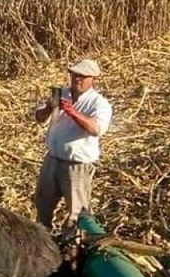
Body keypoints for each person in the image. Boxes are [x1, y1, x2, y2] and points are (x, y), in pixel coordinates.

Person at [33, 58, 112, 233]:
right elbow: (39, 118)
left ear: (93, 79)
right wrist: (49, 107)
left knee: (76, 214)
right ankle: (43, 242)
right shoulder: (60, 94)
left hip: (77, 166)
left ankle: (72, 249)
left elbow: (96, 129)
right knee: (42, 203)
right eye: (75, 75)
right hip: (52, 160)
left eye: (83, 76)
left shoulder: (99, 103)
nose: (78, 79)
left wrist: (71, 112)